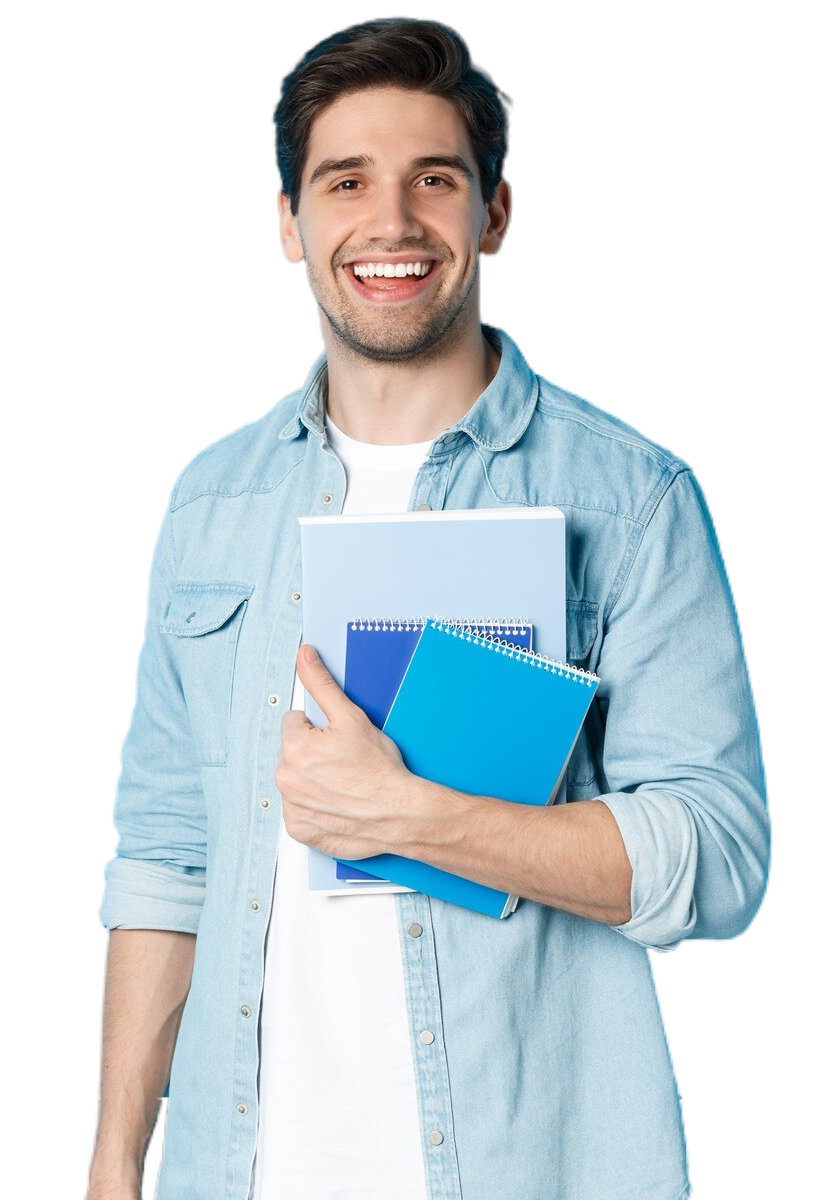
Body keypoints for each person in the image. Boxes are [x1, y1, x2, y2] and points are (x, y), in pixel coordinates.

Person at [40, 4, 814, 1199]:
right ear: (290, 223)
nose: (389, 223)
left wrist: (410, 815)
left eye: (433, 180)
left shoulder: (630, 497)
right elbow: (164, 854)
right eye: (345, 182)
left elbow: (714, 857)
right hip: (237, 1171)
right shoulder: (205, 508)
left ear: (491, 213)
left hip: (531, 1168)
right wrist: (108, 1160)